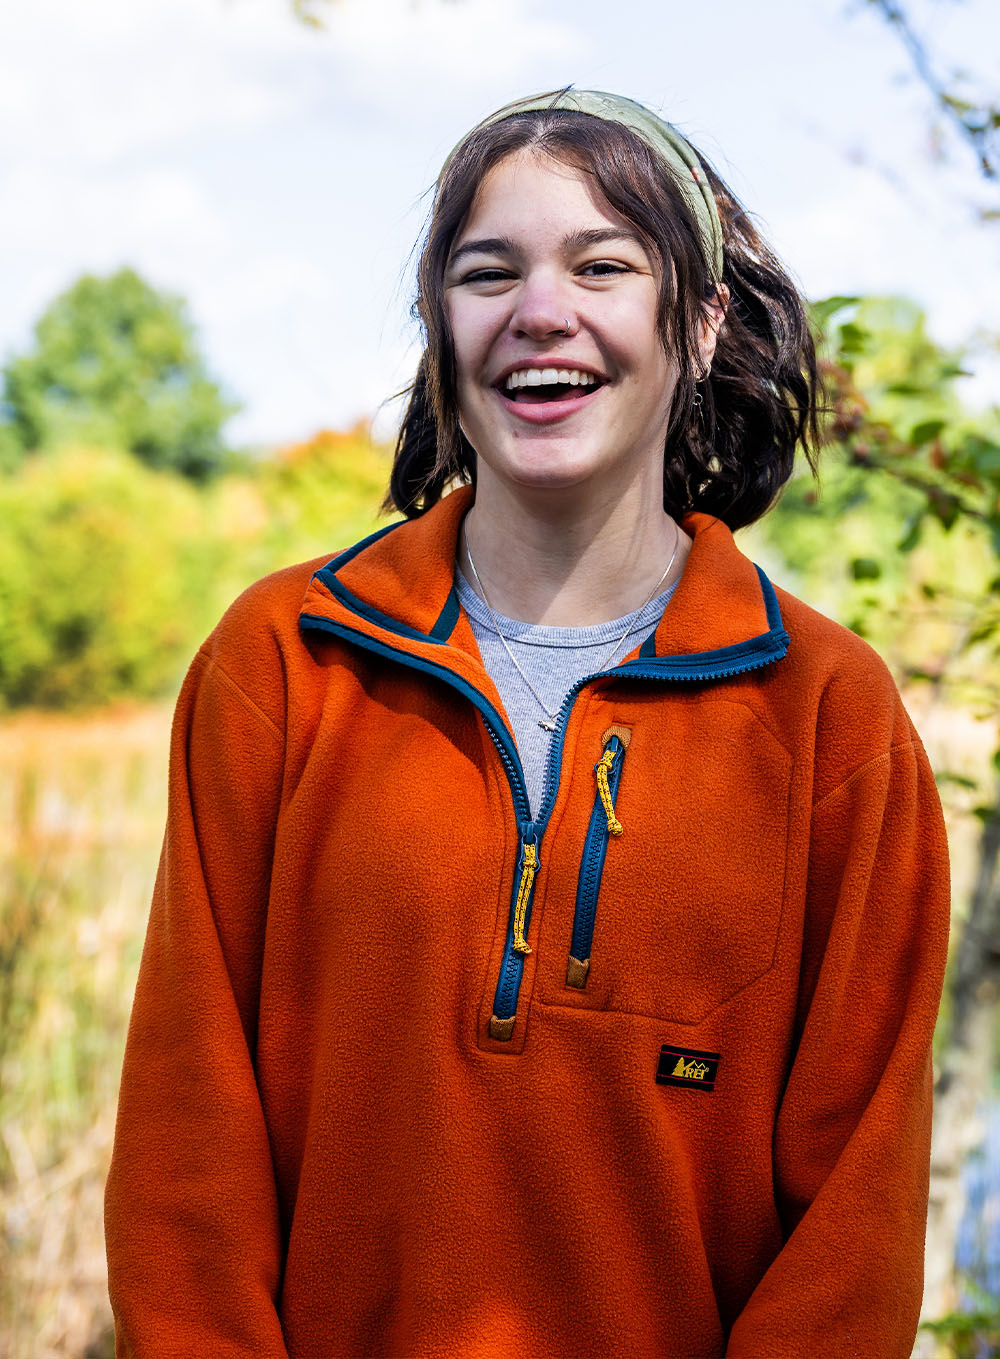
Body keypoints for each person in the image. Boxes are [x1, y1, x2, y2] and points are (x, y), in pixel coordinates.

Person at [105, 89, 950, 1358]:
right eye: (485, 272)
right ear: (441, 329)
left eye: (603, 265)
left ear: (702, 317)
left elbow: (852, 1228)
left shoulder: (831, 720)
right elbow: (186, 1149)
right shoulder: (281, 665)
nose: (537, 312)